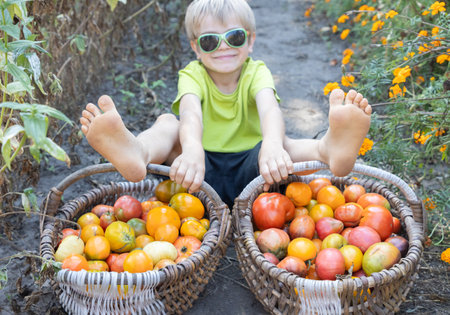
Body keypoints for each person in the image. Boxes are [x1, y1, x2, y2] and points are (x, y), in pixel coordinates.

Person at [80, 0, 372, 208]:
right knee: (169, 123)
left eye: (234, 37)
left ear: (250, 41)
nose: (223, 46)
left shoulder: (257, 72)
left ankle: (328, 148)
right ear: (195, 47)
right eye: (209, 41)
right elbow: (191, 113)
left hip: (257, 170)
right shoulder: (192, 74)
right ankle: (138, 152)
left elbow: (270, 109)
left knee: (282, 142)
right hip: (197, 172)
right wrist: (192, 151)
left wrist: (271, 145)